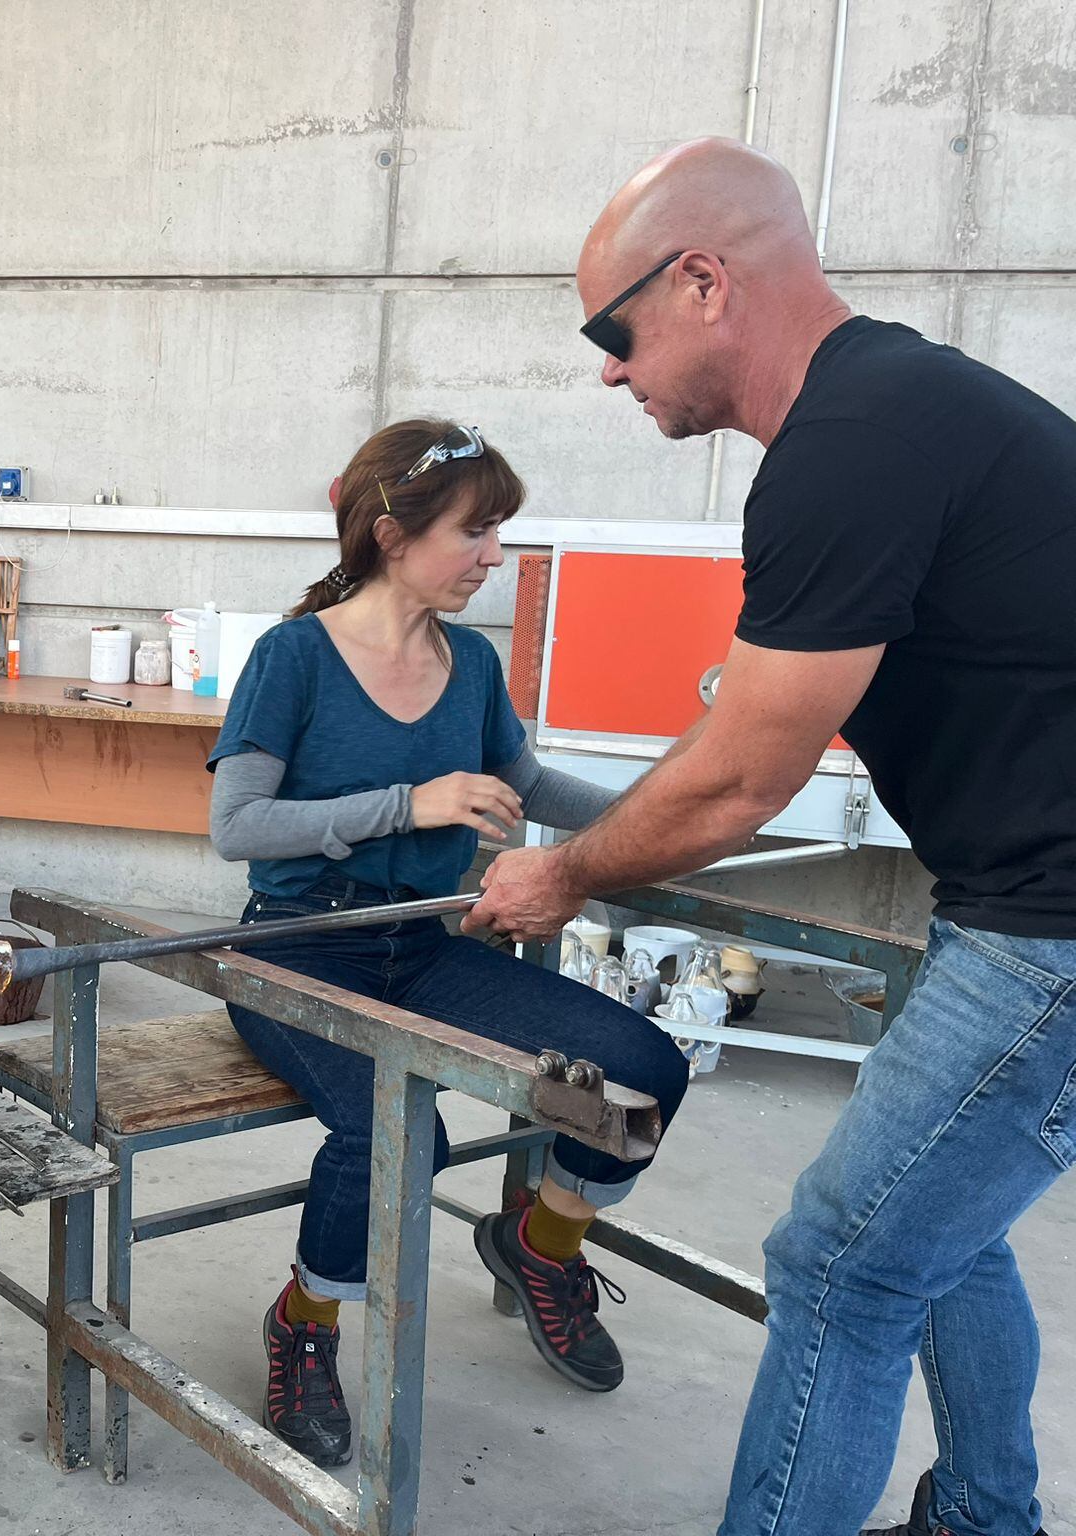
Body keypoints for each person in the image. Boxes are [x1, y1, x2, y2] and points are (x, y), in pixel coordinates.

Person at [470, 139, 1076, 1536]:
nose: (608, 373)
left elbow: (739, 779)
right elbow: (742, 733)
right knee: (938, 1233)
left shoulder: (847, 450)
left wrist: (558, 876)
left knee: (839, 1266)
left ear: (700, 282)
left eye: (611, 333)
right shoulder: (901, 405)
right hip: (1020, 900)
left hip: (1049, 927)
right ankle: (985, 1515)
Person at [207, 418, 690, 1468]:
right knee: (397, 1132)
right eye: (476, 532)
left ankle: (539, 1245)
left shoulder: (468, 663)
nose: (494, 557)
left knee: (643, 1072)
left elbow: (529, 786)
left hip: (423, 949)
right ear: (392, 535)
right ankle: (303, 1322)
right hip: (296, 948)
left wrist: (662, 821)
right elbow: (236, 828)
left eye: (497, 532)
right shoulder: (292, 658)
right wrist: (408, 803)